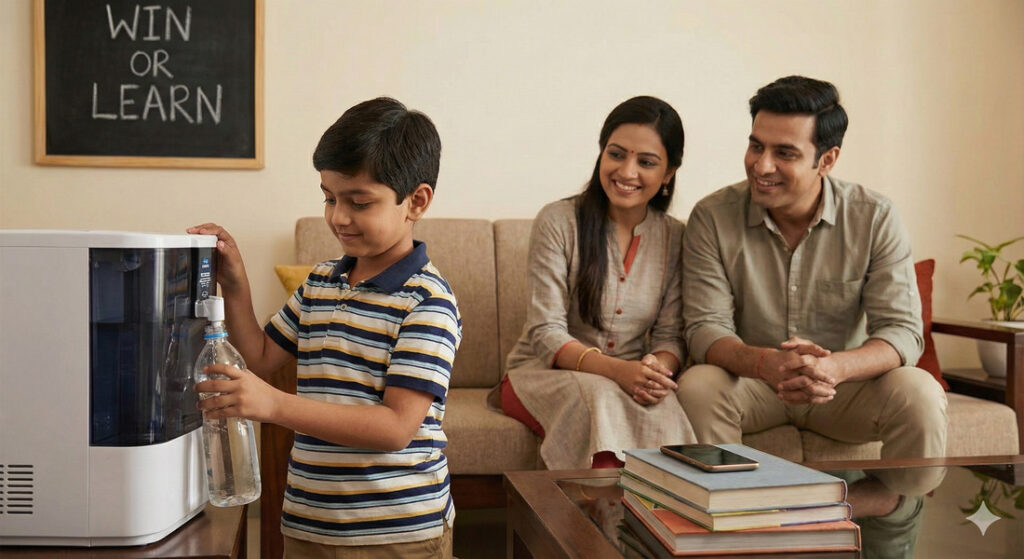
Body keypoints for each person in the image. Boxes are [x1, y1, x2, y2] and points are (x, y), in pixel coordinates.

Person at [677, 76, 947, 557]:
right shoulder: (712, 216)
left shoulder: (875, 216)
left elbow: (902, 331)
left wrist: (834, 367)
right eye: (756, 146)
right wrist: (765, 363)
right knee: (699, 382)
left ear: (827, 159)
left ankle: (888, 503)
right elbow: (703, 328)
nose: (762, 166)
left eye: (784, 153)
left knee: (920, 390)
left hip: (843, 389)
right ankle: (737, 523)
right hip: (756, 384)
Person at [187, 97, 461, 559]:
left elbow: (396, 428)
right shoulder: (321, 281)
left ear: (416, 201)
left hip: (397, 532)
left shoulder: (427, 301)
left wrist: (274, 404)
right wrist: (235, 284)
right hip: (310, 520)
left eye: (359, 202)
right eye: (329, 197)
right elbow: (259, 357)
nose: (337, 216)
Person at [494, 96, 697, 470]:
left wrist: (654, 368)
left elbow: (671, 335)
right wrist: (620, 371)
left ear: (668, 173)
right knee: (599, 398)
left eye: (647, 162)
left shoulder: (676, 238)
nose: (627, 171)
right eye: (616, 154)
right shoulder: (559, 221)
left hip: (629, 378)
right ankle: (591, 526)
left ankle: (664, 526)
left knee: (666, 410)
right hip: (540, 375)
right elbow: (546, 332)